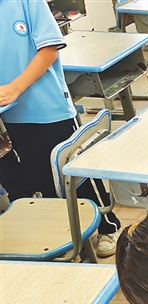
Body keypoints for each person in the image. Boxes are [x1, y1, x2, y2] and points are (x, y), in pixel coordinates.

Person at [0, 0, 121, 257]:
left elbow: (49, 50)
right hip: (8, 116)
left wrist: (14, 88)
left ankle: (107, 226)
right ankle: (61, 234)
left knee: (74, 173)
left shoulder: (25, 2)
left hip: (46, 107)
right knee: (40, 179)